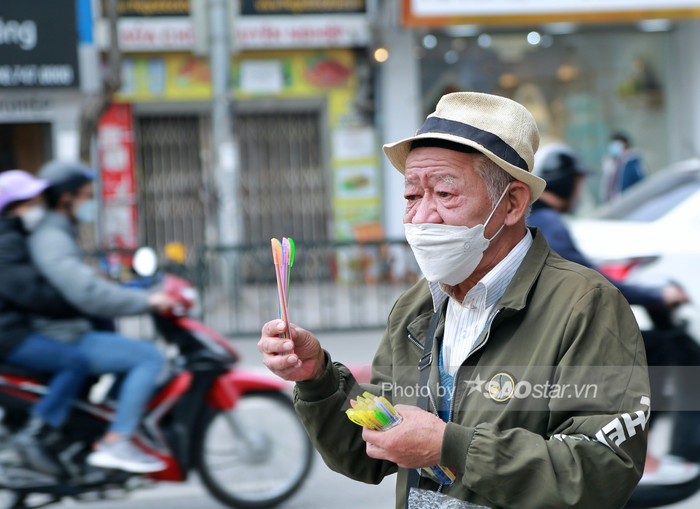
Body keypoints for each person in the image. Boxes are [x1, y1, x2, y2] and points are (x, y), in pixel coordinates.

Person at [259, 92, 650, 508]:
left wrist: (451, 446)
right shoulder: (416, 308)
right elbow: (367, 456)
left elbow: (600, 471)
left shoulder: (585, 306)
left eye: (445, 194)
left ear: (512, 203)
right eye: (412, 196)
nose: (421, 217)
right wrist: (317, 378)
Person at [528, 142, 700, 485]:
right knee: (678, 353)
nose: (581, 190)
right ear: (564, 183)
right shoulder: (550, 225)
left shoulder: (535, 220)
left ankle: (651, 453)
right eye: (578, 181)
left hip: (550, 335)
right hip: (565, 342)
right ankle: (663, 456)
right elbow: (595, 282)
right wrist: (659, 295)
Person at [28, 160, 178, 474]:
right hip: (64, 336)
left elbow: (85, 283)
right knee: (149, 357)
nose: (89, 203)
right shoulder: (51, 238)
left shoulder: (58, 232)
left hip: (67, 330)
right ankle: (116, 440)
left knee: (127, 352)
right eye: (85, 195)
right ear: (67, 198)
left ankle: (106, 423)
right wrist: (147, 300)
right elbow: (86, 293)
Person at [0, 170, 91, 476]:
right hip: (8, 335)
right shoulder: (7, 242)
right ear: (14, 207)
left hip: (14, 328)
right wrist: (75, 304)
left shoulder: (18, 237)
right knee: (75, 361)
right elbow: (30, 292)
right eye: (32, 202)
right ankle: (36, 433)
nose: (38, 207)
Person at [600, 132, 645, 203]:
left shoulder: (632, 163)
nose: (614, 146)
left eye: (618, 143)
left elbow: (640, 184)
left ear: (626, 144)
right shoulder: (611, 164)